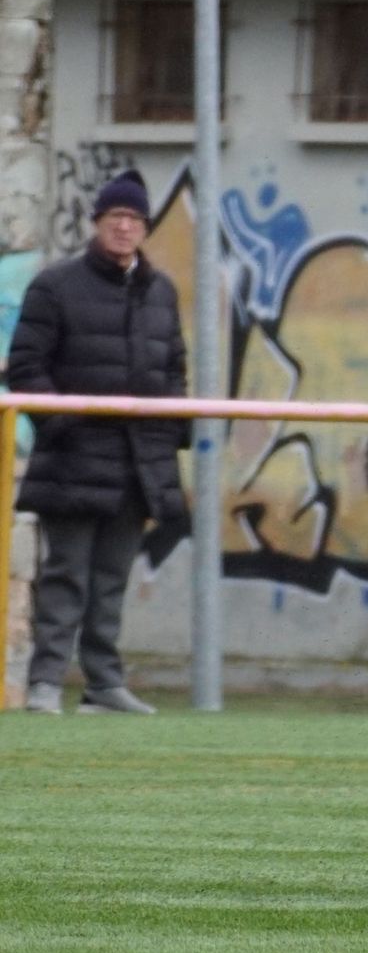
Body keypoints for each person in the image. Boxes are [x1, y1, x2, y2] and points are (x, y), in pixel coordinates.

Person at [13, 169, 188, 716]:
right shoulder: (56, 286)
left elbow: (174, 369)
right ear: (97, 222)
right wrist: (63, 423)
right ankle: (45, 683)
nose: (124, 227)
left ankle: (104, 684)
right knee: (65, 576)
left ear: (145, 228)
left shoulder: (161, 290)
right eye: (116, 216)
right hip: (72, 460)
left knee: (112, 579)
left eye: (134, 218)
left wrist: (169, 433)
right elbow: (25, 367)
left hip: (138, 463)